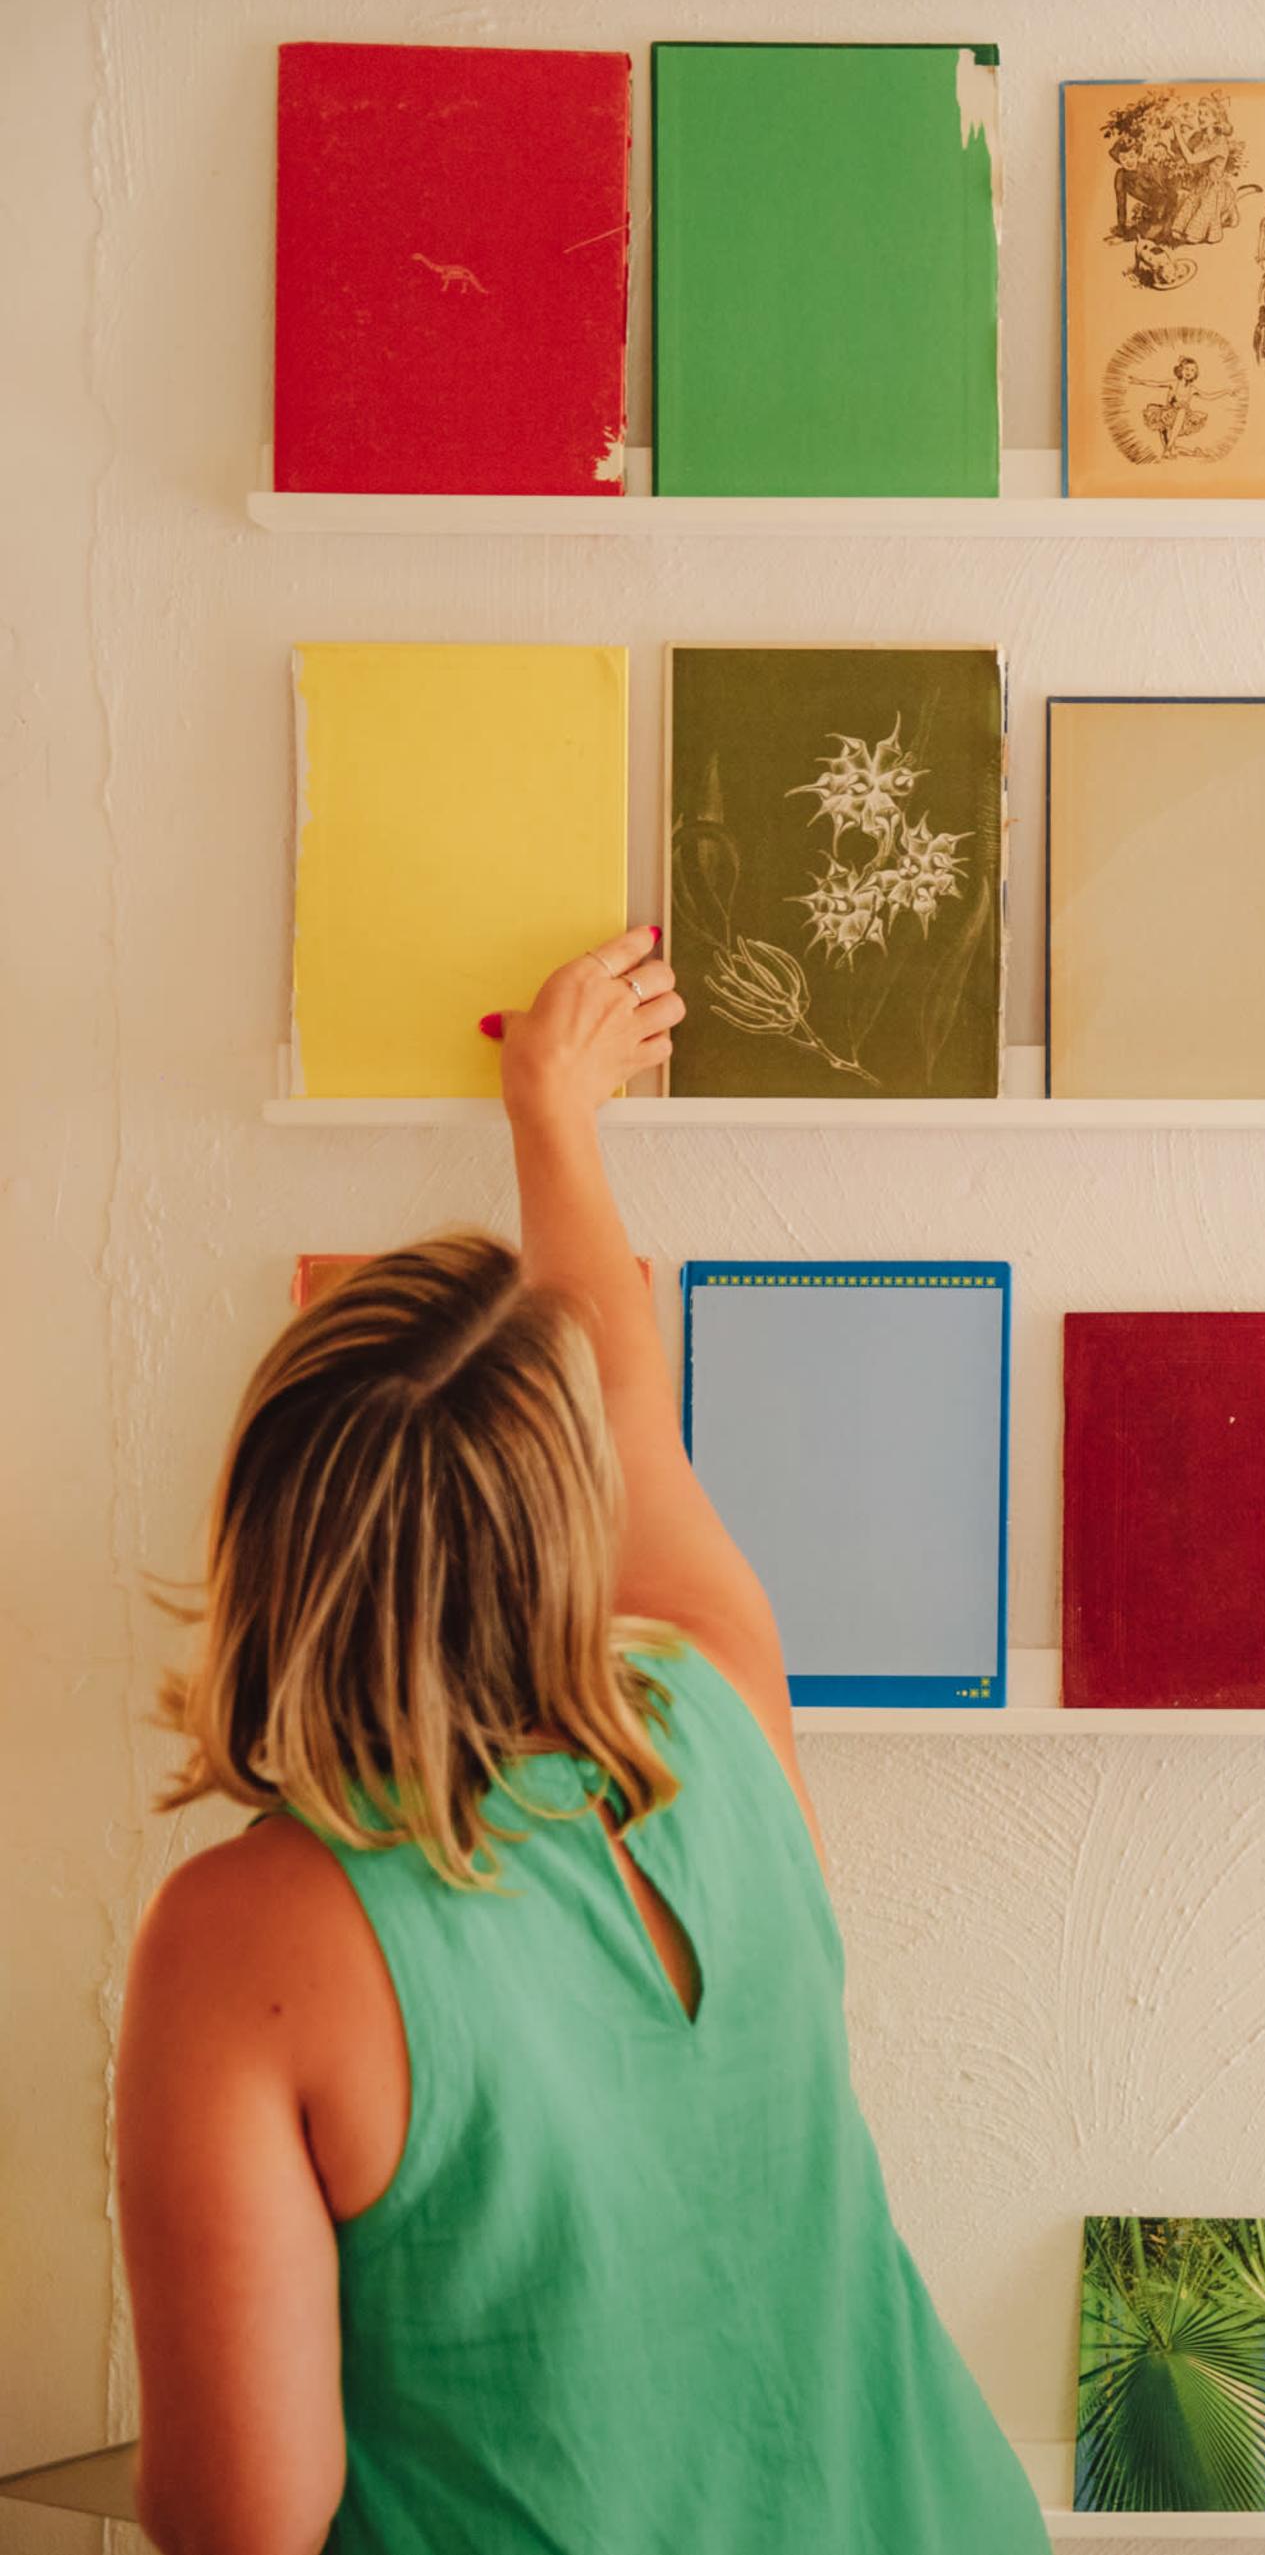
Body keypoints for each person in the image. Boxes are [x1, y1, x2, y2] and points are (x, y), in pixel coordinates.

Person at [115, 927, 1041, 2554]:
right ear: (570, 1518)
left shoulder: (250, 1934)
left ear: (267, 1532)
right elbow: (623, 1387)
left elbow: (240, 2523)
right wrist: (556, 1107)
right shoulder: (713, 1700)